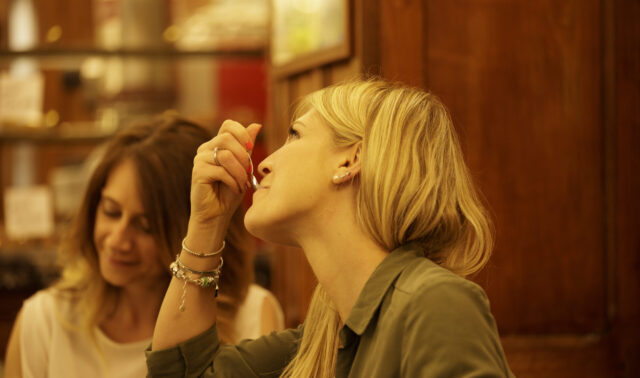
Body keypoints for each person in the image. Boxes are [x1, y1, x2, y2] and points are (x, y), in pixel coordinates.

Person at [147, 79, 514, 377]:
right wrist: (207, 223)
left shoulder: (434, 303)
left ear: (350, 160)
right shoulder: (327, 334)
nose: (263, 164)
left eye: (295, 134)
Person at [4, 113, 284, 378]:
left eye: (145, 227)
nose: (118, 240)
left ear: (191, 229)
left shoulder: (250, 316)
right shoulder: (43, 321)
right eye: (111, 212)